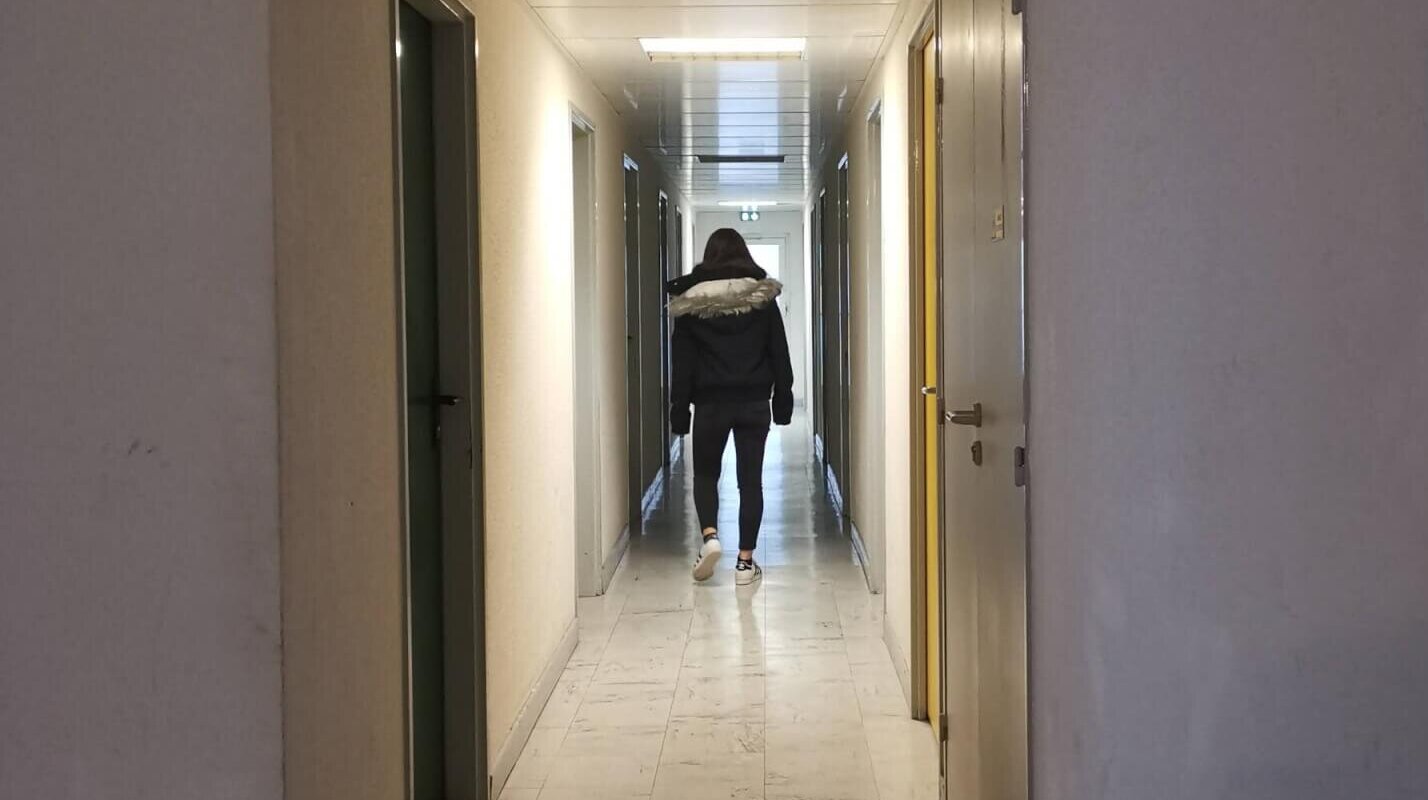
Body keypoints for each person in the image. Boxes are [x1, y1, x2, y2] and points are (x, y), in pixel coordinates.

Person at [668, 228, 795, 586]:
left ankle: (710, 537)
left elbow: (683, 364)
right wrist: (783, 401)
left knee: (706, 475)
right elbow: (779, 352)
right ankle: (745, 563)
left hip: (710, 405)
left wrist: (680, 411)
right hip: (754, 403)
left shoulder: (692, 303)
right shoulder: (761, 299)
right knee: (750, 482)